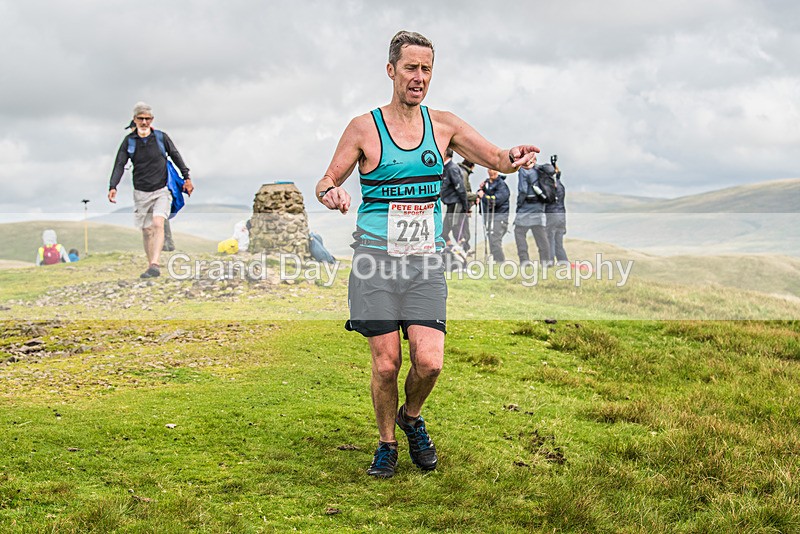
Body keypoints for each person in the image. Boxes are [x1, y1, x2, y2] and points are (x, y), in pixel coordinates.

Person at [315, 30, 539, 478]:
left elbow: (497, 157)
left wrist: (513, 156)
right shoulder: (363, 128)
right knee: (386, 364)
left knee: (430, 362)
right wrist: (332, 193)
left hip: (424, 262)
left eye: (426, 69)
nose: (419, 77)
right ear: (391, 70)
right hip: (375, 261)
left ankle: (411, 417)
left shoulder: (444, 126)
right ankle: (386, 444)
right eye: (410, 68)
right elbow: (326, 181)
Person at [108, 102, 193, 278]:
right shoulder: (129, 142)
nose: (144, 122)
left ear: (152, 119)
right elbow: (120, 164)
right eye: (141, 119)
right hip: (141, 192)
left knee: (158, 224)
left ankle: (155, 263)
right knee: (147, 231)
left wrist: (186, 177)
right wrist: (113, 186)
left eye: (147, 119)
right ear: (135, 119)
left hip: (162, 189)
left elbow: (176, 155)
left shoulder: (161, 138)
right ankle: (150, 266)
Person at [514, 163, 556, 265]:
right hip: (539, 207)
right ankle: (546, 261)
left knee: (519, 232)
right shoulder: (540, 170)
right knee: (541, 235)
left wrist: (519, 204)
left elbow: (523, 190)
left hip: (526, 207)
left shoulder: (523, 171)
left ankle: (524, 260)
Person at [477, 169, 510, 262]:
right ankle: (495, 261)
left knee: (495, 240)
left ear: (498, 171)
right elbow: (481, 194)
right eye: (490, 169)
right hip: (489, 217)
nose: (491, 172)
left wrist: (483, 196)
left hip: (500, 217)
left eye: (494, 170)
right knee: (491, 239)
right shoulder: (486, 184)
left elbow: (495, 201)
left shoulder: (502, 185)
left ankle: (500, 261)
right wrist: (479, 192)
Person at [440, 148, 470, 249]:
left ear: (445, 153)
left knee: (455, 227)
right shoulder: (446, 168)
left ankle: (464, 250)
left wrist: (465, 206)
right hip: (450, 204)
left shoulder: (452, 168)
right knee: (444, 232)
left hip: (456, 203)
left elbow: (460, 188)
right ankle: (453, 250)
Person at [545, 158, 569, 265]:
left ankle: (549, 263)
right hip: (561, 217)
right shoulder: (560, 185)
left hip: (552, 216)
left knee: (550, 239)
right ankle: (563, 262)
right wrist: (554, 165)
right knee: (559, 243)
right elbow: (557, 174)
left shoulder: (550, 186)